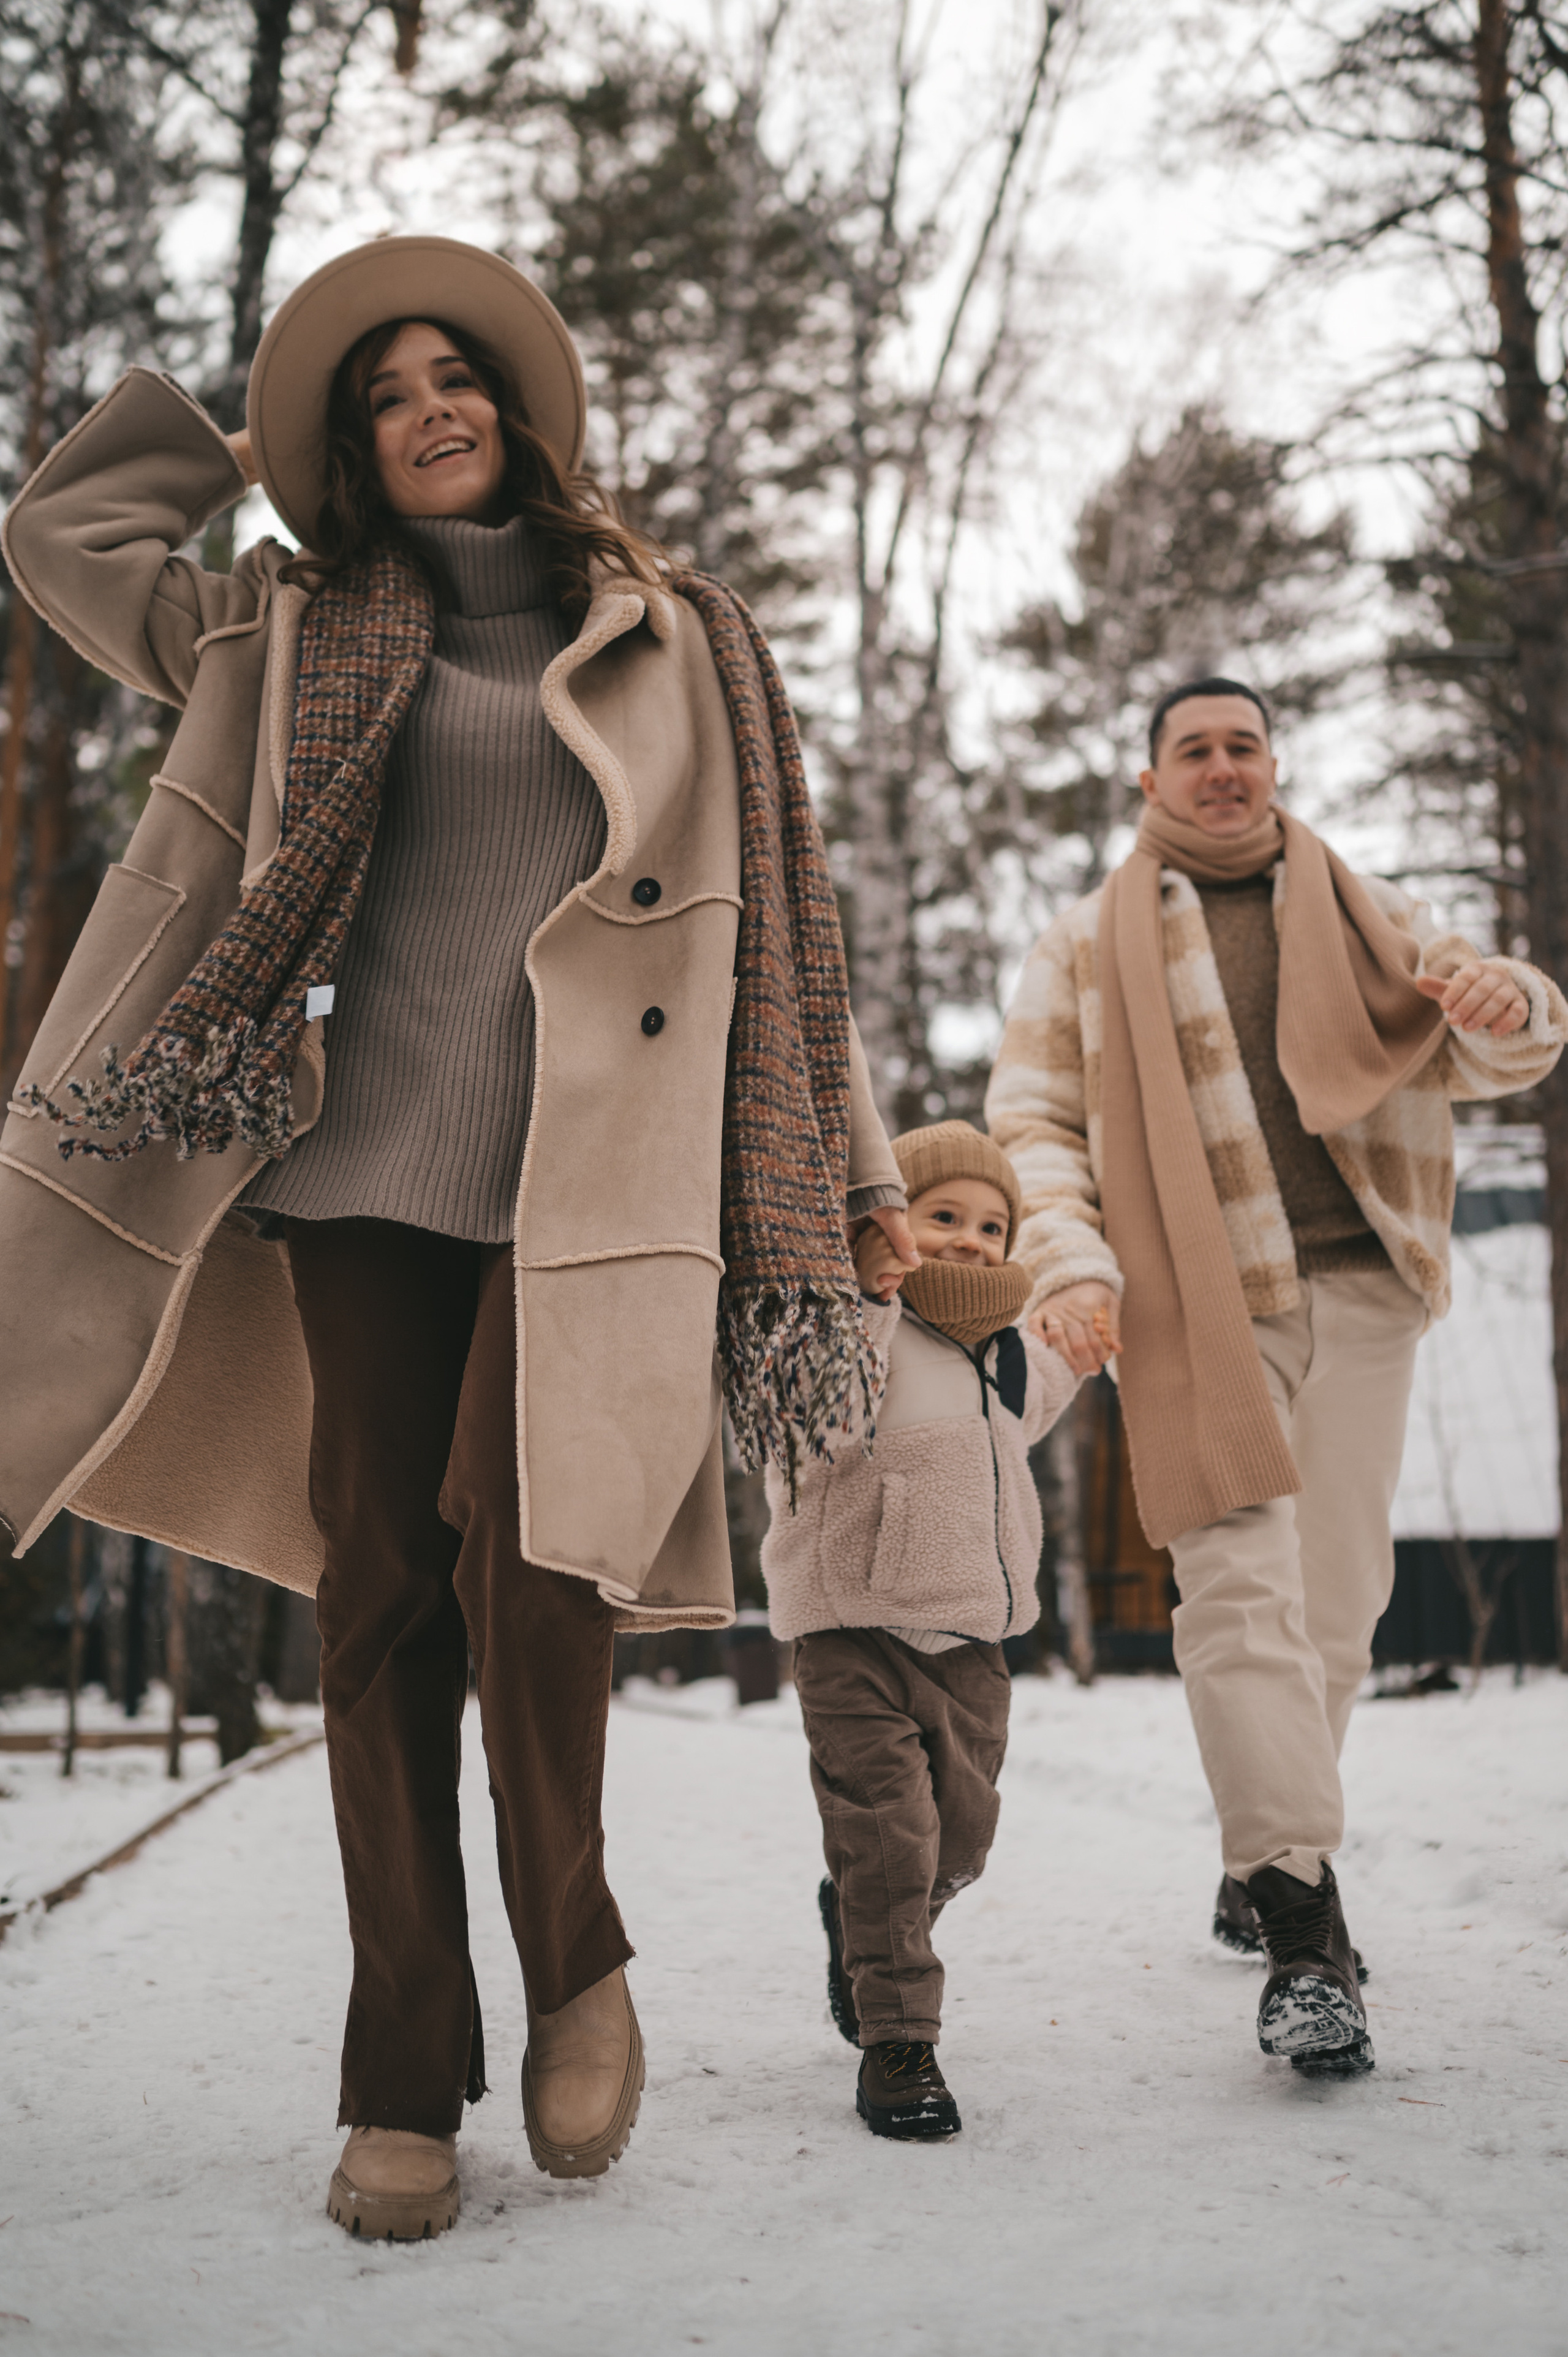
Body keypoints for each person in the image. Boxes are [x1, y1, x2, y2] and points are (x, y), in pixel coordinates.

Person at [0, 236, 916, 2238]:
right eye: (387, 388)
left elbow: (789, 944)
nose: (432, 402)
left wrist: (848, 1191)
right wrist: (274, 427)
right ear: (350, 441)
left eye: (457, 375)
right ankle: (403, 2061)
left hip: (598, 1189)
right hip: (351, 1179)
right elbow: (66, 532)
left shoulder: (680, 635)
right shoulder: (278, 624)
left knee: (535, 1560)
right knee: (383, 1598)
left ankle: (574, 1950)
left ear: (516, 409)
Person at [986, 678, 1567, 2079]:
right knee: (1234, 1585)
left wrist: (1510, 993)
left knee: (1337, 1602)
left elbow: (1506, 1039)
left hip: (1364, 1285)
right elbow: (1032, 1121)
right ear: (1148, 781)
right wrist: (1066, 1262)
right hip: (1191, 1304)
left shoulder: (1367, 911)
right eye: (1193, 749)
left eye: (1242, 745)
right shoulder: (1081, 945)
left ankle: (1263, 1844)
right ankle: (1306, 1932)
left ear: (1271, 762)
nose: (1222, 767)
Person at [762, 1120, 1076, 2138]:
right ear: (890, 1222)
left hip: (974, 1642)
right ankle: (901, 2042)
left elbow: (1044, 1405)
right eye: (942, 1216)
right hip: (854, 1629)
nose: (969, 1240)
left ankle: (861, 1924)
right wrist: (852, 1296)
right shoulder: (853, 1327)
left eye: (992, 1225)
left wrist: (1095, 1335)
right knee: (894, 1840)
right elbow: (789, 1410)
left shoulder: (1010, 1358)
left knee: (960, 1838)